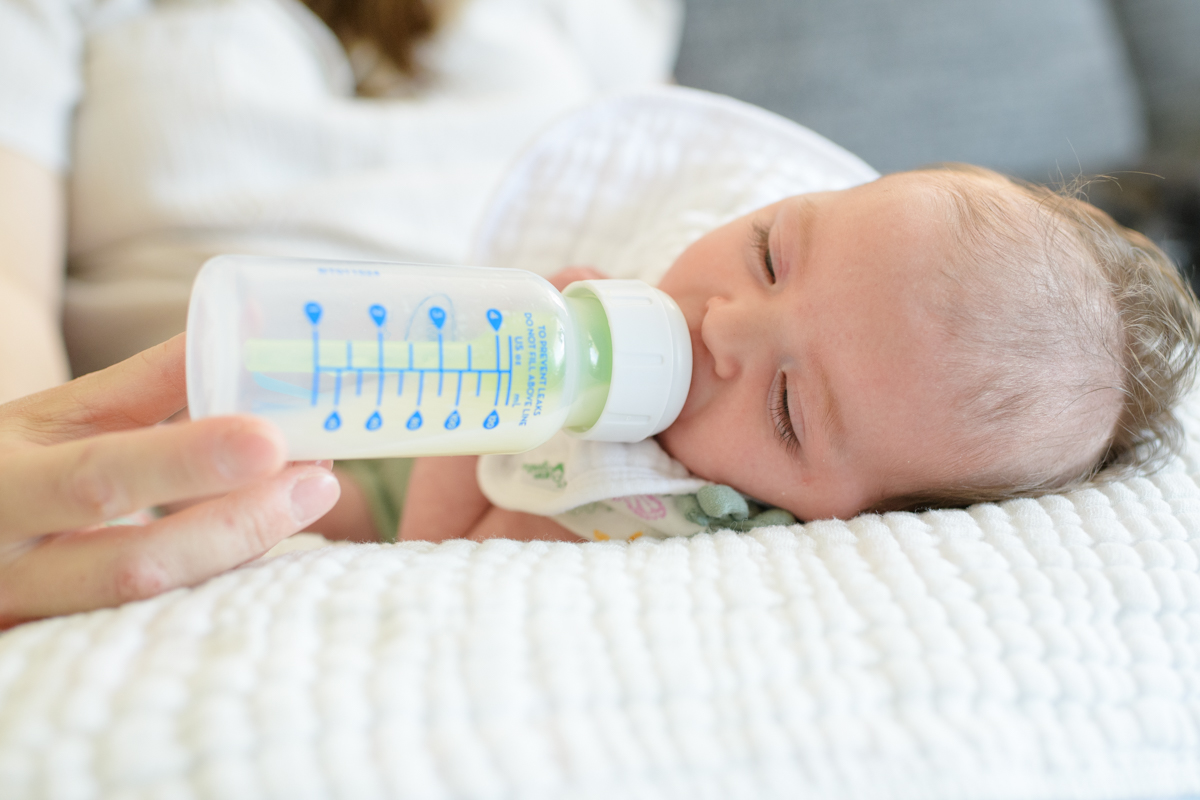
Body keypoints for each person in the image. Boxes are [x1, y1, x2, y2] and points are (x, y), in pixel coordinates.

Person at [0, 0, 682, 621]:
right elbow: (10, 293)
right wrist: (39, 485)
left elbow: (667, 217)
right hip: (190, 463)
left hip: (517, 446)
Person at [389, 164, 1200, 543]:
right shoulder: (691, 238)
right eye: (770, 256)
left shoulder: (652, 519)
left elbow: (439, 552)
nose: (724, 328)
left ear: (841, 519)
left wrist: (512, 381)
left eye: (787, 409)